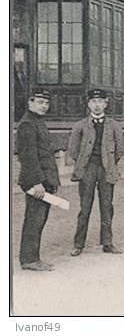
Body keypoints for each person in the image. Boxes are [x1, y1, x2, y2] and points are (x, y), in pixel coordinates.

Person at [68, 88, 124, 256]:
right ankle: (79, 244)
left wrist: (109, 163)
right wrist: (83, 164)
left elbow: (120, 149)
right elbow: (73, 150)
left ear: (106, 103)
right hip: (87, 170)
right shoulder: (80, 125)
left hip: (107, 170)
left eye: (100, 101)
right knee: (85, 207)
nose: (97, 105)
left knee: (107, 206)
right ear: (88, 104)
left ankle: (107, 243)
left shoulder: (114, 125)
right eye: (93, 102)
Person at [17, 90, 61, 271]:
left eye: (46, 103)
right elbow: (28, 157)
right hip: (36, 182)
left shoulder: (37, 122)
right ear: (30, 103)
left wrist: (52, 181)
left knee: (39, 218)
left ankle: (31, 258)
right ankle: (29, 260)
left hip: (44, 180)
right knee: (34, 219)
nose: (43, 106)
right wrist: (37, 182)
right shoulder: (27, 124)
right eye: (40, 102)